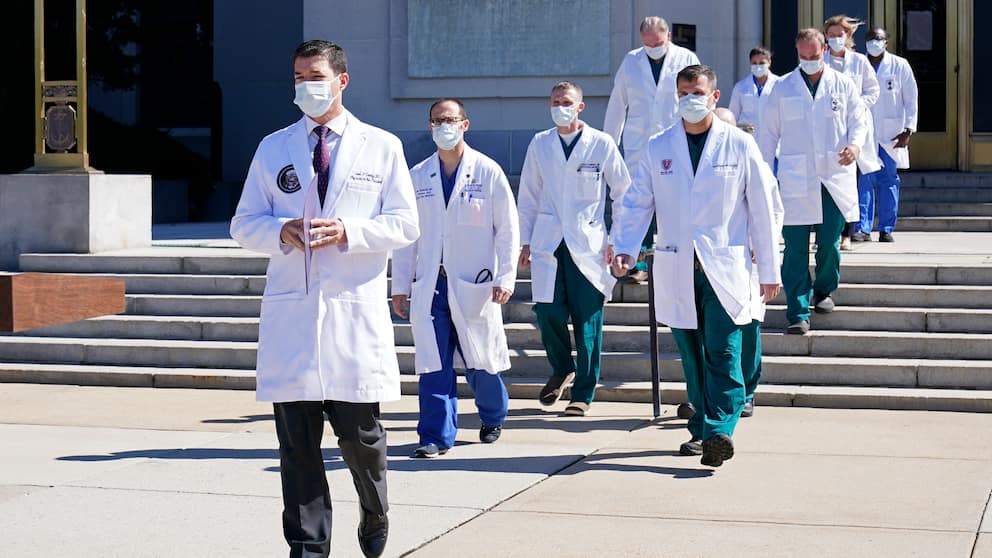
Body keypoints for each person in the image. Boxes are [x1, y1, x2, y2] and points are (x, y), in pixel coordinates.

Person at [230, 40, 419, 558]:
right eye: (297, 77)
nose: (305, 86)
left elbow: (405, 223)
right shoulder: (274, 147)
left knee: (361, 440)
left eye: (315, 75)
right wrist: (280, 230)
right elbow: (243, 224)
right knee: (297, 449)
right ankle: (308, 547)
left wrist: (349, 232)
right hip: (293, 317)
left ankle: (375, 508)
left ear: (342, 80)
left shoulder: (381, 147)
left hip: (352, 315)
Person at [613, 65, 782, 467]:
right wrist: (624, 246)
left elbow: (762, 207)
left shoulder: (738, 144)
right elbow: (638, 201)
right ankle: (703, 430)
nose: (691, 98)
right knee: (691, 357)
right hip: (676, 266)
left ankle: (720, 429)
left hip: (723, 266)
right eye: (684, 92)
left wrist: (770, 268)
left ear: (714, 96)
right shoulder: (659, 146)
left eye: (698, 91)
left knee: (722, 352)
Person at [391, 98, 519, 458]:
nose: (442, 126)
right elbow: (406, 237)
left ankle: (493, 415)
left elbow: (508, 229)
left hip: (474, 282)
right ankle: (434, 436)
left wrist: (505, 276)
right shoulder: (418, 176)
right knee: (433, 362)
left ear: (465, 124)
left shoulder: (487, 171)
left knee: (481, 359)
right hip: (430, 284)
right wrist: (400, 286)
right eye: (436, 121)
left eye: (449, 119)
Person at [518, 81, 631, 417]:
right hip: (548, 241)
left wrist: (618, 240)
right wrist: (524, 241)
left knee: (588, 322)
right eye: (555, 101)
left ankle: (583, 392)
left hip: (589, 242)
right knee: (547, 311)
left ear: (581, 106)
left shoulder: (601, 143)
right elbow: (528, 196)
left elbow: (623, 193)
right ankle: (561, 366)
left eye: (566, 101)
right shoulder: (540, 143)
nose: (560, 107)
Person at [759, 29, 869, 335]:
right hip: (795, 179)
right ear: (797, 53)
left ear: (825, 51)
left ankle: (824, 290)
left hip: (833, 176)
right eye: (803, 56)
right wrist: (764, 176)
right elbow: (767, 135)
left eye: (814, 56)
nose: (809, 61)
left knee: (829, 245)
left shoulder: (842, 84)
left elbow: (859, 121)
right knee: (794, 248)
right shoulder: (782, 88)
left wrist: (856, 146)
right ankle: (797, 310)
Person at [604, 16, 700, 283]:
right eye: (647, 45)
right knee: (638, 200)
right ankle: (638, 262)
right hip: (640, 144)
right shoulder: (631, 61)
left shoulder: (686, 58)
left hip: (676, 140)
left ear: (668, 36)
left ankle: (678, 257)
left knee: (676, 199)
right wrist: (609, 144)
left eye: (657, 44)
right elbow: (617, 105)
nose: (653, 49)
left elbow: (698, 99)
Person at [713, 107, 785, 420]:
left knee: (748, 328)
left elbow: (773, 213)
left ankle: (746, 392)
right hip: (713, 260)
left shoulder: (757, 166)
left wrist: (760, 248)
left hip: (748, 259)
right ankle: (711, 395)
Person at [823, 15, 881, 248]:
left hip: (854, 128)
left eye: (840, 35)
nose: (836, 39)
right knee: (827, 181)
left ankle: (847, 233)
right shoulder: (821, 62)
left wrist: (856, 106)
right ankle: (827, 233)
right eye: (832, 35)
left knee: (850, 182)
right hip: (828, 127)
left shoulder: (859, 62)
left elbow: (873, 90)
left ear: (848, 36)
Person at [856, 26, 919, 243]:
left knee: (889, 180)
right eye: (871, 39)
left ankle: (886, 228)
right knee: (864, 180)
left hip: (892, 133)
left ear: (886, 42)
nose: (874, 42)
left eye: (879, 39)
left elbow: (911, 98)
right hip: (864, 133)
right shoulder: (858, 64)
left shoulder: (900, 65)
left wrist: (909, 129)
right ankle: (862, 228)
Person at [728, 46, 781, 137]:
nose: (758, 66)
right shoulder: (740, 87)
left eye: (761, 63)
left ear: (769, 63)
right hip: (747, 137)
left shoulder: (779, 84)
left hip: (773, 137)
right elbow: (733, 116)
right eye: (754, 63)